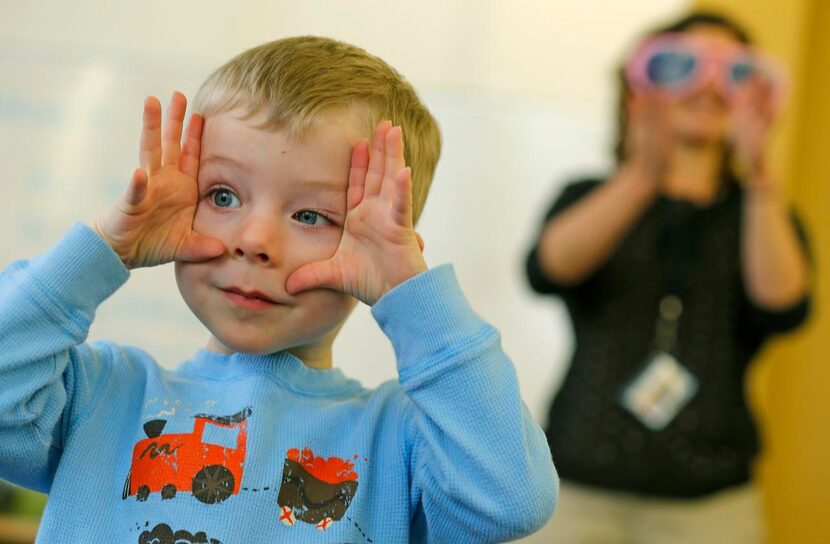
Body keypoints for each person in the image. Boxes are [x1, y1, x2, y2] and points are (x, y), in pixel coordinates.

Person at [0, 36, 558, 542]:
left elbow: (507, 501)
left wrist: (410, 294)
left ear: (389, 252)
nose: (254, 239)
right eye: (222, 196)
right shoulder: (102, 397)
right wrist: (105, 246)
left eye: (312, 215)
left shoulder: (400, 441)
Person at [522, 11, 811, 544]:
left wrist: (761, 175)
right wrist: (644, 172)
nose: (707, 86)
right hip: (576, 489)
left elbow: (785, 303)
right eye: (683, 66)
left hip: (711, 504)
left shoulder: (759, 215)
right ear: (639, 92)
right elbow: (549, 266)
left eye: (733, 74)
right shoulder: (592, 194)